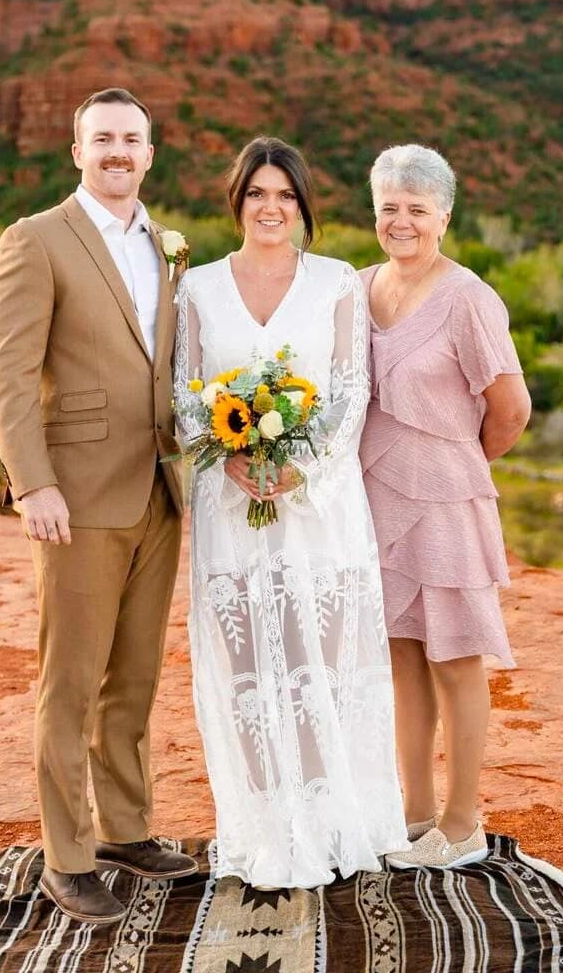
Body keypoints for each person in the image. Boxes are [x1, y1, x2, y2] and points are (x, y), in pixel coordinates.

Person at [0, 87, 197, 925]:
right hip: (72, 496)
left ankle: (126, 830)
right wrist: (31, 482)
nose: (117, 152)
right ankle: (66, 859)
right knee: (69, 682)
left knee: (133, 678)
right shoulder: (35, 239)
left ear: (150, 153)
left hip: (156, 489)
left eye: (131, 139)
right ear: (77, 152)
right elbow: (5, 370)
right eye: (101, 139)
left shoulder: (163, 245)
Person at [174, 136, 407, 889]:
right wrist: (235, 458)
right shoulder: (198, 288)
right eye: (256, 194)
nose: (270, 208)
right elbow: (183, 394)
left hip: (320, 506)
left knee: (320, 666)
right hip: (227, 504)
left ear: (302, 206)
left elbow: (349, 392)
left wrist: (297, 466)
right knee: (248, 669)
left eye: (284, 195)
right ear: (236, 202)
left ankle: (334, 824)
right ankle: (266, 831)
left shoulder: (337, 282)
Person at [359, 144, 531, 871]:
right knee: (400, 658)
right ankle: (414, 812)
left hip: (448, 500)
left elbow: (511, 408)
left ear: (444, 216)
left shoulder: (468, 298)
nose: (401, 221)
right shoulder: (360, 286)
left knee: (456, 659)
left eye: (416, 210)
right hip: (375, 499)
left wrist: (457, 460)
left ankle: (460, 826)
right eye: (389, 207)